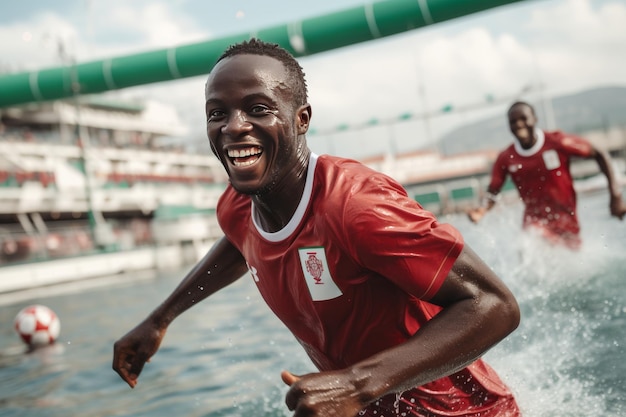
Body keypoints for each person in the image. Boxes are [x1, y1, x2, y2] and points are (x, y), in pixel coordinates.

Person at [112, 39, 522, 417]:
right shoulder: (238, 206)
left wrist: (356, 384)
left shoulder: (357, 208)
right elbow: (241, 243)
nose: (233, 126)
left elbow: (495, 306)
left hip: (467, 412)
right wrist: (160, 318)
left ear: (301, 118)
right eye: (217, 113)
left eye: (258, 109)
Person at [467, 101, 626, 250]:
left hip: (567, 221)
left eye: (523, 118)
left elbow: (599, 153)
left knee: (572, 263)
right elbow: (493, 190)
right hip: (534, 223)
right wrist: (481, 210)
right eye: (513, 121)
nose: (519, 124)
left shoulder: (558, 142)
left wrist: (615, 195)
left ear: (534, 119)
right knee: (528, 245)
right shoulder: (506, 158)